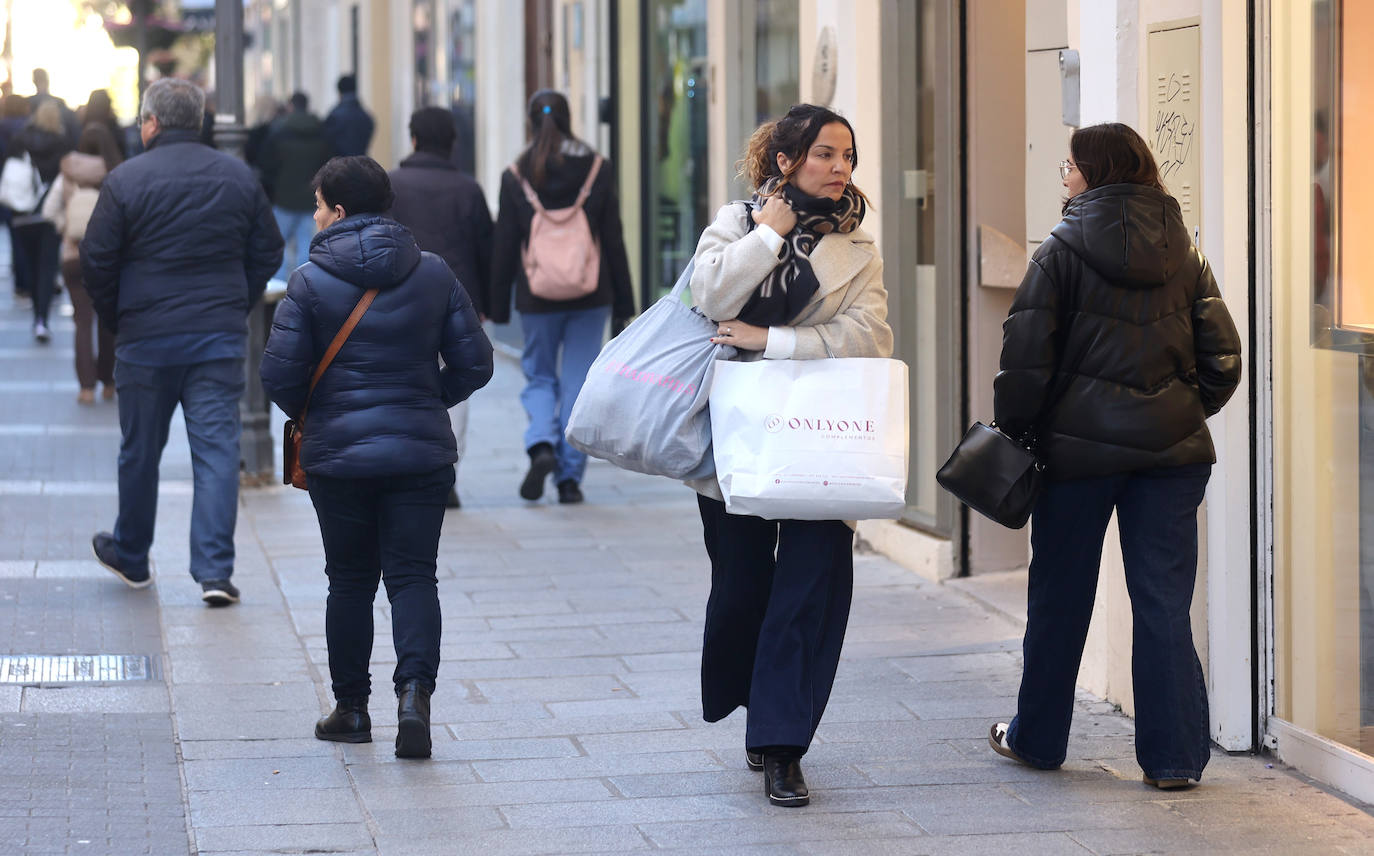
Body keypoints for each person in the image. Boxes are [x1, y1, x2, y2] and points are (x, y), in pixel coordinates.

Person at [987, 122, 1242, 789]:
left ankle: (1038, 741)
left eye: (1070, 166)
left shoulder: (1060, 250)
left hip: (1077, 457)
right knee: (1163, 602)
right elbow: (1224, 359)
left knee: (1059, 598)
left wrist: (1020, 429)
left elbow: (1024, 362)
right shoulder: (1183, 251)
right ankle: (1174, 760)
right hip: (1172, 457)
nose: (1065, 177)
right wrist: (1178, 411)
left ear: (1095, 172)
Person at [685, 105, 891, 808]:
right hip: (736, 437)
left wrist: (772, 341)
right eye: (825, 154)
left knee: (809, 590)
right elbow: (709, 293)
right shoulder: (736, 222)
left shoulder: (857, 246)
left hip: (823, 439)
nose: (840, 169)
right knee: (741, 588)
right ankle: (753, 700)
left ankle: (782, 745)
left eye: (848, 156)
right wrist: (768, 235)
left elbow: (872, 335)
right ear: (786, 161)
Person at [260, 156, 493, 758]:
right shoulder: (434, 273)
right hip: (420, 455)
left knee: (350, 581)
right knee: (413, 576)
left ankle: (352, 709)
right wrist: (428, 400)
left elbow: (278, 375)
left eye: (318, 206)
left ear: (339, 212)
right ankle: (414, 696)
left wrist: (320, 411)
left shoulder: (307, 281)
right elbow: (476, 363)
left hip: (339, 459)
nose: (315, 217)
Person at [80, 78, 284, 604]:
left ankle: (132, 554)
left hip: (145, 339)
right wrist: (237, 301)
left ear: (151, 123)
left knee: (139, 451)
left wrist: (118, 315)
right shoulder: (238, 176)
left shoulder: (125, 180)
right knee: (217, 453)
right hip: (216, 338)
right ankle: (214, 571)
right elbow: (268, 250)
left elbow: (96, 259)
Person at [490, 90, 634, 505]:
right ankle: (569, 479)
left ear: (530, 122)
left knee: (539, 375)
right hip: (592, 293)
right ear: (569, 118)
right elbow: (613, 237)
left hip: (537, 296)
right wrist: (624, 303)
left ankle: (541, 444)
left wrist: (497, 304)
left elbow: (505, 243)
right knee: (578, 380)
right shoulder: (597, 168)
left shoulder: (516, 174)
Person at [388, 107, 493, 510]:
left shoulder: (392, 185)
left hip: (399, 301)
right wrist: (487, 303)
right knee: (456, 387)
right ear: (452, 143)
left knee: (402, 382)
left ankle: (407, 466)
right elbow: (486, 248)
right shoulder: (468, 189)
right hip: (457, 302)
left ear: (413, 139)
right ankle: (445, 470)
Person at [46, 123, 121, 402]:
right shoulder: (117, 173)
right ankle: (109, 382)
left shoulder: (68, 172)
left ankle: (86, 387)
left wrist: (67, 227)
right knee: (107, 320)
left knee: (82, 320)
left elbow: (49, 210)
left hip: (73, 254)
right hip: (107, 258)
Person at [8, 101, 71, 341]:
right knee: (46, 267)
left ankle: (38, 314)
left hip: (22, 212)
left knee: (32, 266)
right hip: (49, 212)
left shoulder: (19, 139)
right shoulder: (62, 142)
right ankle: (41, 320)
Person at [260, 92, 333, 280]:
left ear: (290, 106)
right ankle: (305, 284)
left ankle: (279, 287)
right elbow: (328, 164)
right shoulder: (321, 131)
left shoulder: (278, 131)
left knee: (279, 244)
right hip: (312, 198)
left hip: (283, 197)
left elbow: (267, 165)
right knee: (307, 243)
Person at [323, 74, 375, 157]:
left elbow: (327, 142)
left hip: (341, 162)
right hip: (361, 162)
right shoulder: (366, 116)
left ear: (339, 92)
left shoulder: (335, 116)